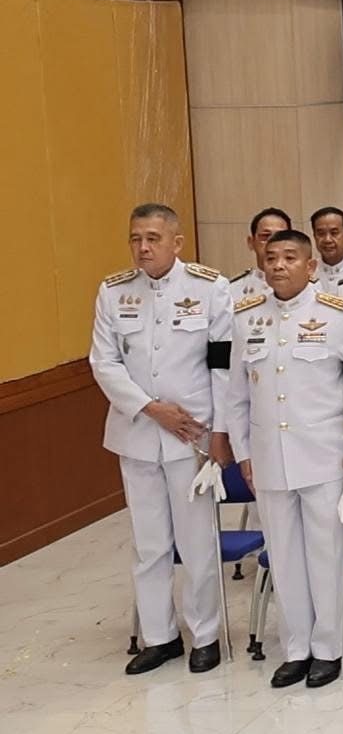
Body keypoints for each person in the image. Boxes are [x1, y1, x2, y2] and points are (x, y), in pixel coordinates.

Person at [229, 229, 343, 689]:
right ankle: (295, 648)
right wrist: (242, 453)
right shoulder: (247, 319)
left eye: (290, 258)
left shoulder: (336, 316)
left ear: (310, 266)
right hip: (268, 458)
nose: (278, 265)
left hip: (324, 457)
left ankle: (329, 649)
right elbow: (236, 396)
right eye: (272, 258)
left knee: (324, 553)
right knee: (283, 556)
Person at [90, 204, 234, 676]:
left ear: (177, 241)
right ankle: (160, 636)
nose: (143, 247)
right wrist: (151, 409)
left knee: (196, 541)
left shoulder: (209, 288)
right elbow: (103, 363)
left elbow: (221, 365)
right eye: (135, 238)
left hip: (191, 436)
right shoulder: (114, 293)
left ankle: (206, 634)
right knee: (148, 543)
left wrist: (218, 434)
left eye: (153, 238)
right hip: (136, 434)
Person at [230, 208, 291, 304]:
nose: (272, 242)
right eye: (265, 236)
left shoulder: (310, 286)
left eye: (280, 236)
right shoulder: (232, 290)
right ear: (251, 242)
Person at [310, 207, 343, 291]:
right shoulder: (307, 273)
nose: (327, 239)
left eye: (334, 233)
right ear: (314, 237)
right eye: (321, 234)